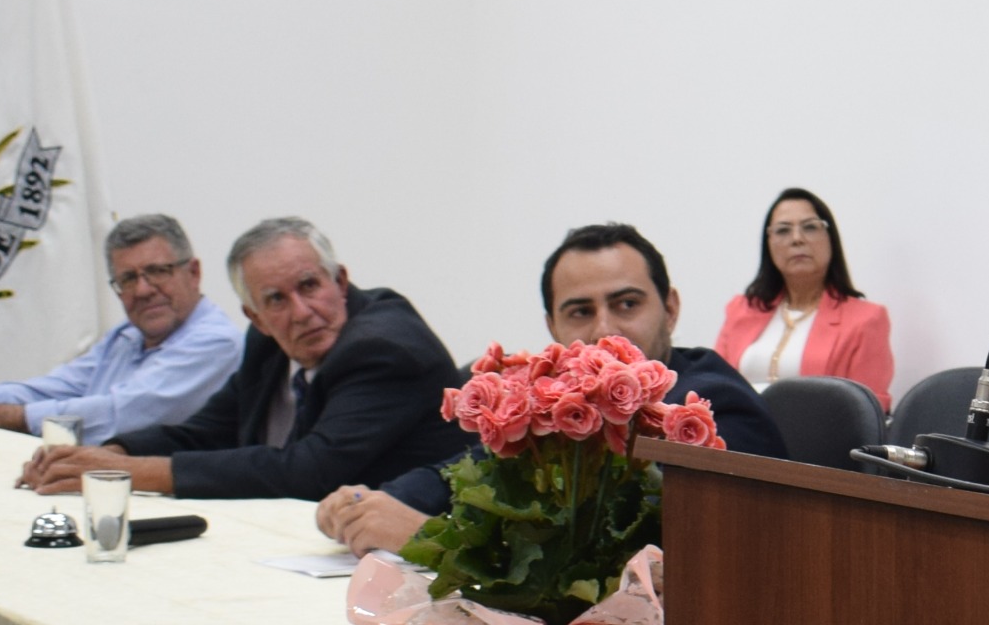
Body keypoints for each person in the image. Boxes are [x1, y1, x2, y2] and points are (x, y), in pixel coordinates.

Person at [317, 222, 781, 556]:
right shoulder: (563, 404)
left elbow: (628, 551)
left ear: (671, 309)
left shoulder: (711, 407)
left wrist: (433, 538)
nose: (604, 329)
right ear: (553, 328)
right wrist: (371, 504)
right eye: (580, 312)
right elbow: (474, 466)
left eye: (626, 304)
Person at [21, 218, 462, 504]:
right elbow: (211, 429)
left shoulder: (385, 348)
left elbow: (308, 471)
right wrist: (111, 452)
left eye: (309, 286)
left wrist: (131, 473)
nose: (301, 312)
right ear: (256, 317)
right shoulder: (269, 343)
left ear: (340, 281)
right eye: (276, 300)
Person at [0, 213, 241, 439]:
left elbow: (121, 414)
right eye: (128, 279)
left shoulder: (216, 342)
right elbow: (53, 390)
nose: (143, 290)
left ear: (193, 272)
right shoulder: (128, 336)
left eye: (158, 272)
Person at [713, 189, 896, 402]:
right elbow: (716, 387)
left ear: (830, 238)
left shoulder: (866, 320)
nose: (797, 239)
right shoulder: (740, 310)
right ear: (768, 243)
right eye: (783, 230)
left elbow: (869, 408)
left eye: (810, 227)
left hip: (822, 424)